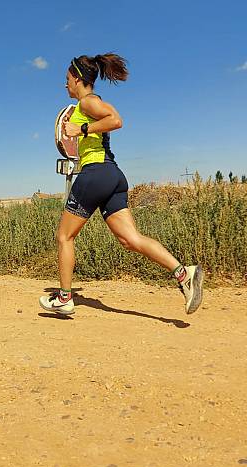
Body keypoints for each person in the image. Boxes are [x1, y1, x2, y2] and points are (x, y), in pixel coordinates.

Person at [39, 53, 203, 315]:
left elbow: (116, 120)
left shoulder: (87, 103)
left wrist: (79, 131)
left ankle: (64, 298)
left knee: (64, 236)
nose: (65, 85)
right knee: (130, 239)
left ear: (79, 79)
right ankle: (184, 274)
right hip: (112, 175)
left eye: (67, 79)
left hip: (96, 174)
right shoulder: (89, 104)